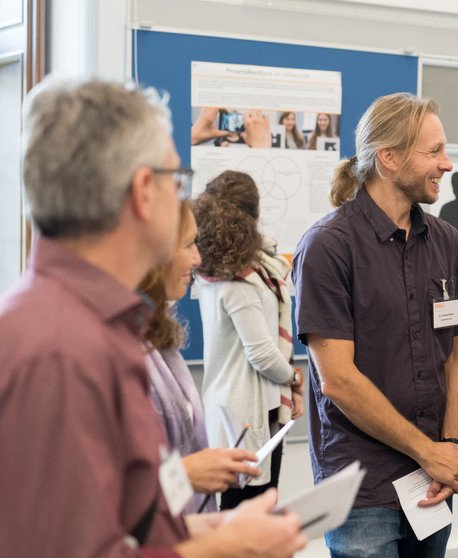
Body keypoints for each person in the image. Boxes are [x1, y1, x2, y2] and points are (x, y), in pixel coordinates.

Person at [0, 77, 306, 557]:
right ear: (144, 191)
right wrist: (226, 546)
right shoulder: (60, 349)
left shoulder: (98, 324)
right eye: (176, 180)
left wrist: (212, 529)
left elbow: (125, 520)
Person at [293, 92, 458, 557]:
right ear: (389, 158)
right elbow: (337, 380)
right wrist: (428, 451)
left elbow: (457, 355)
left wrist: (449, 446)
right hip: (361, 484)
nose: (447, 164)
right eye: (434, 151)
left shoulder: (447, 242)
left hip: (431, 478)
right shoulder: (328, 246)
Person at [139, 200, 262, 514]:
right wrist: (182, 475)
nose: (197, 258)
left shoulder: (156, 335)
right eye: (188, 245)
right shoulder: (119, 348)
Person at [194, 170, 304, 511]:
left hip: (247, 402)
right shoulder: (239, 280)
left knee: (250, 506)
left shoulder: (222, 268)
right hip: (244, 410)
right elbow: (262, 354)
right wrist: (294, 379)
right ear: (254, 214)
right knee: (247, 509)